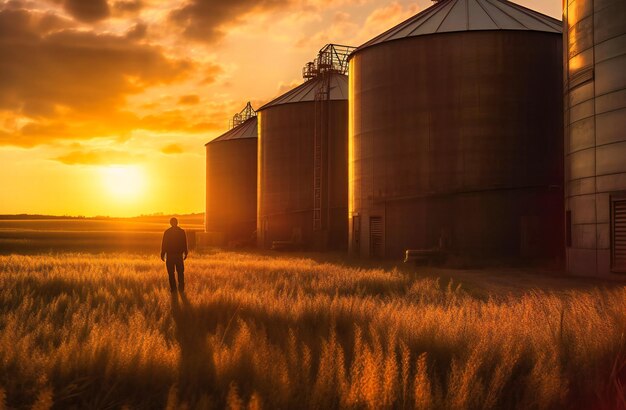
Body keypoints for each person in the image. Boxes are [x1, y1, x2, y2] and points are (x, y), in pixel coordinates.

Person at [161, 217, 188, 293]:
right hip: (178, 256)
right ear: (177, 222)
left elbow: (164, 244)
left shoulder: (167, 232)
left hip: (170, 256)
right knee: (180, 272)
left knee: (171, 273)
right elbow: (184, 243)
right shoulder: (181, 232)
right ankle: (181, 289)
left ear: (170, 223)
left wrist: (162, 254)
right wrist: (186, 253)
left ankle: (174, 289)